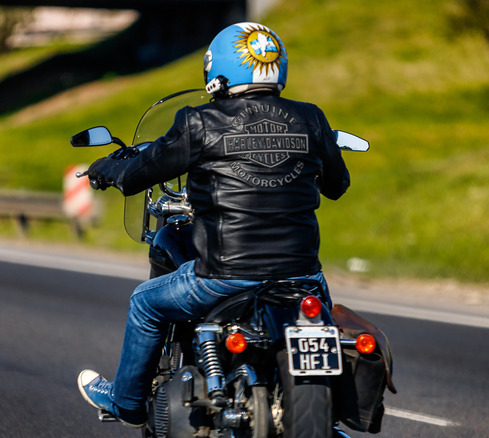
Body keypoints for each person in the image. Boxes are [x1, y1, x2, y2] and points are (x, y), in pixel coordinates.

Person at [77, 22, 350, 428]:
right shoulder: (311, 119)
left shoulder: (198, 123)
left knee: (145, 303)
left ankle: (127, 403)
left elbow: (139, 174)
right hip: (302, 276)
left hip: (224, 275)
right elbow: (337, 186)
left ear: (216, 71)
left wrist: (108, 169)